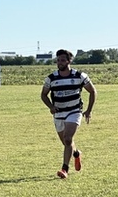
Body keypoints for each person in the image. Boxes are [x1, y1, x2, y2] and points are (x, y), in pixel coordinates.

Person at [40, 49, 96, 178]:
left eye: (63, 60)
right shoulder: (51, 78)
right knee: (67, 143)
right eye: (58, 60)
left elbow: (92, 91)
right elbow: (43, 95)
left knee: (68, 138)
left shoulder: (79, 76)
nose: (60, 62)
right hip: (59, 113)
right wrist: (50, 106)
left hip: (74, 111)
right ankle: (76, 154)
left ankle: (64, 169)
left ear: (69, 61)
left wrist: (89, 110)